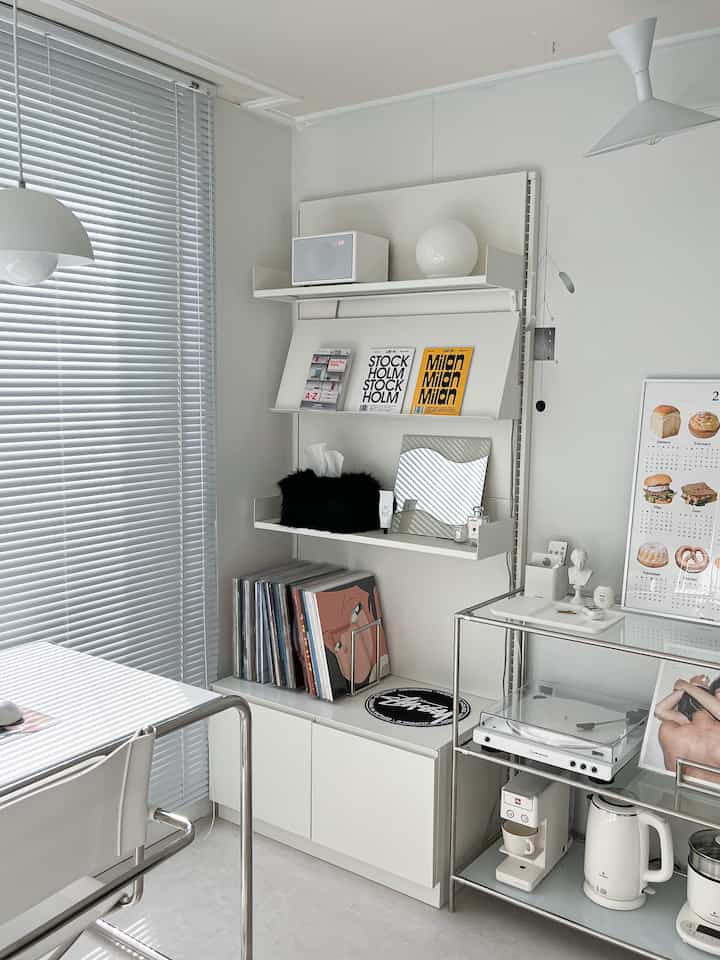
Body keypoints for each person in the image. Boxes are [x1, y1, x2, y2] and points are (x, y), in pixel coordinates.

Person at [654, 674, 720, 785]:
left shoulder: (670, 729)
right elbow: (659, 710)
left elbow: (660, 710)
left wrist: (687, 686)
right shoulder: (678, 726)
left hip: (679, 795)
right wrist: (689, 687)